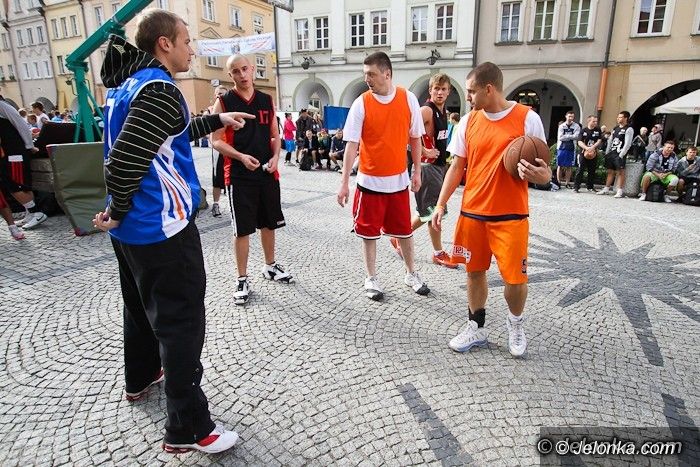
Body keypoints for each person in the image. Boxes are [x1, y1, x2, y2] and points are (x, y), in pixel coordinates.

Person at [92, 9, 253, 454]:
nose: (192, 49)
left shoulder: (131, 85)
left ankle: (141, 376)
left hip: (134, 233)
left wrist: (217, 120)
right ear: (164, 44)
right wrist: (117, 209)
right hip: (161, 228)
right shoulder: (160, 90)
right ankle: (189, 429)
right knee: (182, 325)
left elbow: (167, 134)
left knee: (139, 309)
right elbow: (123, 162)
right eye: (186, 40)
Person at [431, 62, 550, 357]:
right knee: (474, 272)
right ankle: (476, 326)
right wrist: (441, 203)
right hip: (473, 212)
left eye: (471, 91)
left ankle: (515, 323)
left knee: (515, 279)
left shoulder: (528, 118)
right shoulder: (468, 122)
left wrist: (542, 177)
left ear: (488, 89)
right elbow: (457, 167)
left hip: (511, 215)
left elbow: (545, 171)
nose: (467, 97)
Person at [337, 51, 430, 301]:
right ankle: (371, 278)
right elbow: (351, 145)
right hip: (369, 183)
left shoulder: (408, 99)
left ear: (387, 74)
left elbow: (415, 138)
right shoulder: (361, 103)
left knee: (404, 231)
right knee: (368, 234)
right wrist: (344, 183)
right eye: (365, 74)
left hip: (398, 182)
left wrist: (417, 170)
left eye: (371, 74)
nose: (366, 79)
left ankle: (411, 273)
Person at [211, 54, 293, 306]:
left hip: (267, 173)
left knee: (269, 223)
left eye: (245, 68)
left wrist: (276, 157)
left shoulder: (266, 99)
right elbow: (215, 140)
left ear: (253, 69)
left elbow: (275, 136)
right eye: (235, 71)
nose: (242, 74)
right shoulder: (224, 102)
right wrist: (240, 157)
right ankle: (242, 278)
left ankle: (270, 266)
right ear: (230, 75)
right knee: (242, 229)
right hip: (238, 175)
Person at [390, 73, 458, 269]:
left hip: (439, 167)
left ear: (449, 91)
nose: (440, 92)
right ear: (430, 90)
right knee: (434, 212)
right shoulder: (426, 110)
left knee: (429, 211)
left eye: (443, 89)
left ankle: (398, 237)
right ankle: (438, 253)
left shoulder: (442, 112)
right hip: (428, 168)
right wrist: (424, 150)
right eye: (436, 89)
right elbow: (404, 131)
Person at [0, 92, 47, 229]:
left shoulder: (2, 106)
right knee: (22, 185)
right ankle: (31, 213)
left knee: (14, 184)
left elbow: (20, 124)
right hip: (11, 152)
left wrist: (29, 145)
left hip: (14, 152)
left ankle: (36, 212)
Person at [598, 111, 634, 198]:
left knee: (620, 172)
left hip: (620, 153)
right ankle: (606, 188)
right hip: (612, 152)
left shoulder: (628, 129)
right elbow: (610, 140)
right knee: (610, 171)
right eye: (618, 117)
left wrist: (621, 155)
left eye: (620, 117)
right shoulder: (615, 128)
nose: (618, 119)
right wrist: (607, 152)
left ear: (626, 118)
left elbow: (627, 143)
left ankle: (619, 191)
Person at [210, 85, 228, 217]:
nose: (220, 96)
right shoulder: (211, 111)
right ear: (215, 95)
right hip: (218, 149)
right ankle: (215, 204)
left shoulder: (230, 109)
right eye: (219, 94)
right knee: (217, 178)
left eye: (223, 94)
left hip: (231, 147)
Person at [573, 115, 604, 193]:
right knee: (580, 169)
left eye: (596, 121)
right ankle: (576, 187)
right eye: (593, 121)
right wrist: (586, 148)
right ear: (589, 121)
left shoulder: (598, 130)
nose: (595, 123)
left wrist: (593, 147)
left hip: (593, 153)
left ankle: (590, 187)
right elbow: (579, 141)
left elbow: (599, 140)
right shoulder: (583, 131)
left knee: (592, 170)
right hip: (583, 153)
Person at [556, 111, 581, 189]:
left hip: (571, 148)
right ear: (566, 116)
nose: (570, 118)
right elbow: (560, 137)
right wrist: (571, 136)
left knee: (569, 166)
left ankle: (567, 183)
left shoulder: (576, 126)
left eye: (572, 117)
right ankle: (558, 182)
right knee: (559, 165)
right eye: (569, 116)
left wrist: (566, 136)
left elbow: (576, 136)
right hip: (561, 148)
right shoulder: (562, 126)